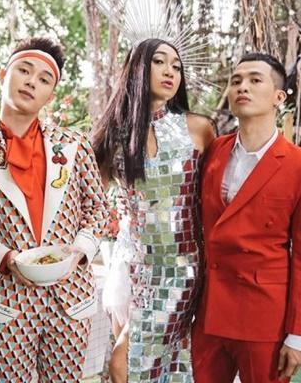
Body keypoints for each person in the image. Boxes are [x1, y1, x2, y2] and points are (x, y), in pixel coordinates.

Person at [0, 37, 108, 382]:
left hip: (70, 295)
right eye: (24, 71)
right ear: (2, 75)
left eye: (43, 79)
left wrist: (80, 250)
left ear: (50, 96)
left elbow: (99, 208)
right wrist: (3, 258)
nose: (31, 82)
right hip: (8, 299)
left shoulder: (75, 146)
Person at [192, 52, 301, 383]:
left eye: (255, 80)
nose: (243, 87)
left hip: (264, 319)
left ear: (278, 97)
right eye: (236, 80)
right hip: (209, 314)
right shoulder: (213, 152)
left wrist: (299, 335)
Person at [92, 38, 215, 382]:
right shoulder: (113, 135)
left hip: (180, 268)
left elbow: (216, 199)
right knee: (153, 369)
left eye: (176, 66)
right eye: (159, 62)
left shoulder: (198, 129)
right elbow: (89, 200)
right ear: (137, 69)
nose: (169, 71)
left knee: (123, 364)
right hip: (128, 268)